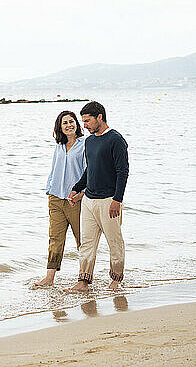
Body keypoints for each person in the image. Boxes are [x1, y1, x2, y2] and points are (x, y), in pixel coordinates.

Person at [68, 101, 129, 291]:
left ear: (99, 117)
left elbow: (122, 172)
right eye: (83, 121)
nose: (84, 126)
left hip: (109, 200)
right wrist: (77, 188)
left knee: (114, 241)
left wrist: (117, 200)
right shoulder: (90, 141)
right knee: (86, 243)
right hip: (89, 201)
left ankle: (116, 280)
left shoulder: (116, 140)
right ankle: (83, 281)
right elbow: (89, 170)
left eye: (87, 121)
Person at [34, 111, 86, 287]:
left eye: (71, 121)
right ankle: (49, 278)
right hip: (56, 198)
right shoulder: (59, 146)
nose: (69, 125)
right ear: (60, 127)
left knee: (82, 239)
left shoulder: (85, 145)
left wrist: (82, 193)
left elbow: (89, 171)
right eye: (65, 123)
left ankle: (84, 278)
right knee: (55, 238)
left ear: (77, 124)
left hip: (75, 199)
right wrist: (50, 189)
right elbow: (53, 169)